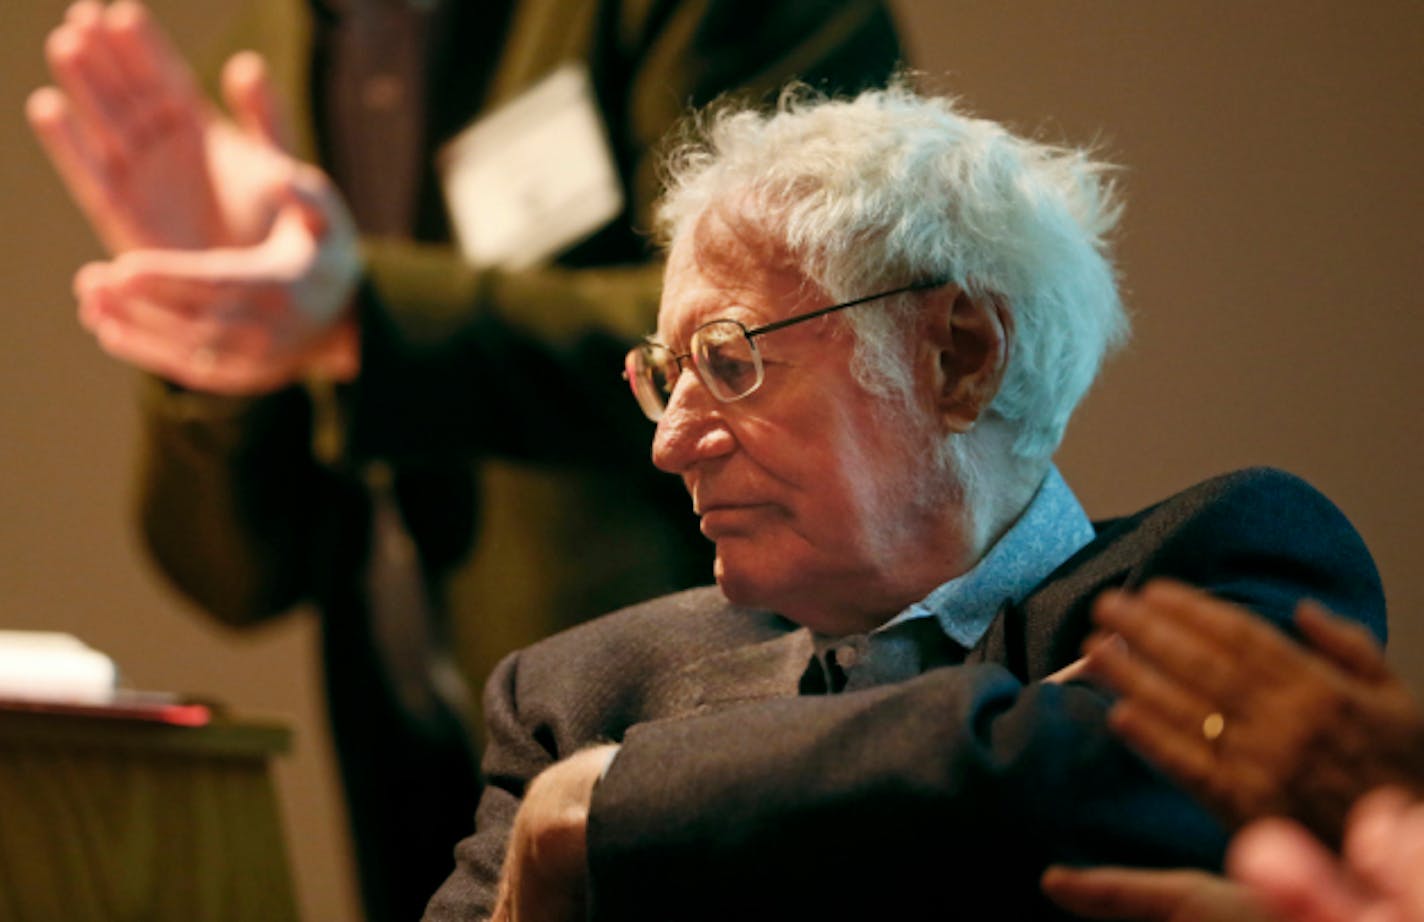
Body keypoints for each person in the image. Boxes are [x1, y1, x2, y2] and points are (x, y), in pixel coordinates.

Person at [419, 82, 1387, 922]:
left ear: (956, 356)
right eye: (666, 377)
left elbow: (1096, 787)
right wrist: (1003, 737)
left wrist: (606, 803)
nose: (669, 445)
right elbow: (1027, 781)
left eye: (728, 361)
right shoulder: (577, 695)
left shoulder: (1226, 558)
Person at [27, 2, 905, 919]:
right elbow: (234, 578)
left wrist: (365, 320)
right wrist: (221, 354)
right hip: (415, 781)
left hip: (705, 748)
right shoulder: (261, 61)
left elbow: (815, 320)